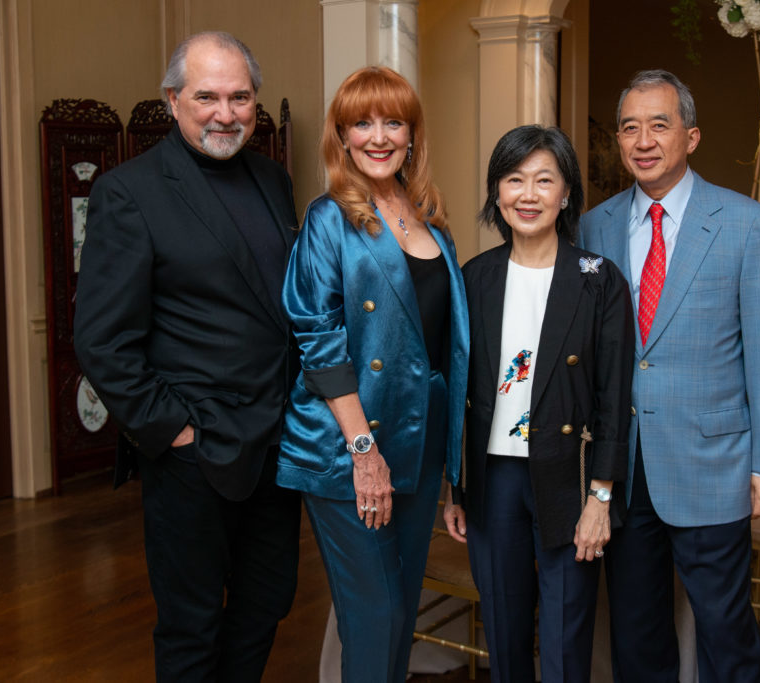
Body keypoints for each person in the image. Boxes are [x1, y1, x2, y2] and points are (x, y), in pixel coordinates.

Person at [74, 31, 301, 682]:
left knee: (267, 602)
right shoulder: (129, 191)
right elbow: (101, 338)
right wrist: (175, 431)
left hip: (275, 445)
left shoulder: (273, 179)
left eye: (240, 97)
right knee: (191, 625)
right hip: (194, 454)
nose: (225, 114)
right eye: (207, 97)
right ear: (173, 101)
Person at [578, 69, 760, 682]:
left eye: (659, 125)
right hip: (623, 468)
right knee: (636, 633)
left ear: (691, 137)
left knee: (725, 631)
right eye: (630, 128)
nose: (643, 141)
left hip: (712, 462)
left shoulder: (745, 222)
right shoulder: (594, 226)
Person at [276, 66, 469, 683]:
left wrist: (454, 468)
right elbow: (319, 340)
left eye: (393, 123)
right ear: (342, 136)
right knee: (375, 616)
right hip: (347, 448)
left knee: (401, 613)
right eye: (362, 123)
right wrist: (364, 453)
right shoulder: (327, 219)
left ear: (413, 135)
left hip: (416, 440)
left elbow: (444, 346)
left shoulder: (431, 218)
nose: (379, 136)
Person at [444, 125, 634, 682]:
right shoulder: (474, 278)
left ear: (566, 193)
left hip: (568, 476)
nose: (528, 195)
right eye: (514, 180)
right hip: (493, 479)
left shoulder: (598, 281)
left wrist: (601, 496)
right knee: (503, 634)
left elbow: (614, 398)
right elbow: (458, 392)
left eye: (544, 180)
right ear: (497, 192)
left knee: (565, 637)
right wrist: (456, 487)